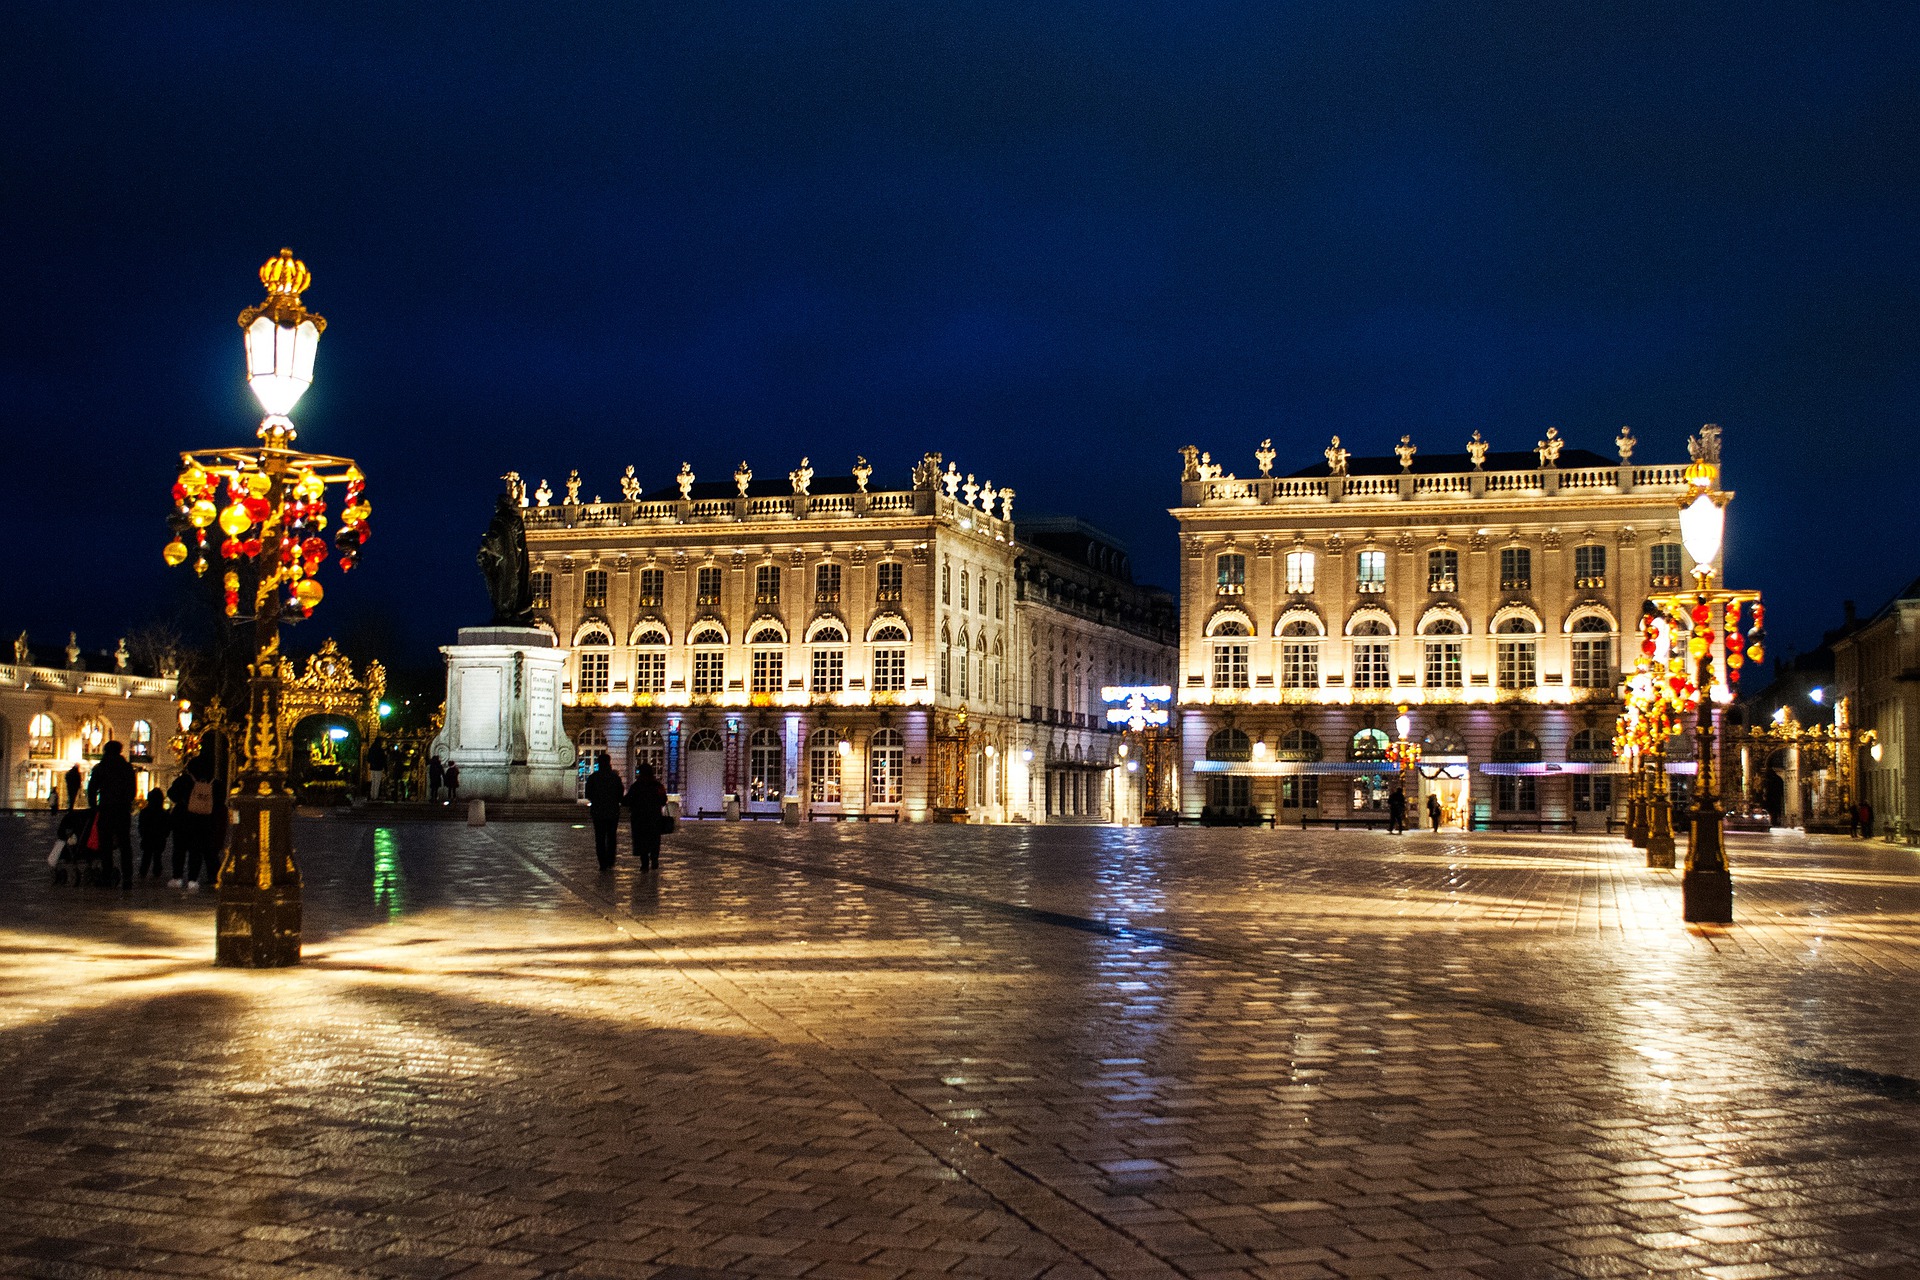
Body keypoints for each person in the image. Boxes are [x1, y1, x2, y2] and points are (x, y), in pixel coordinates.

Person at [173, 740, 228, 890]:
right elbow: (220, 801)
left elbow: (172, 794)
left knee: (179, 849)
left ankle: (177, 877)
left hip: (183, 820)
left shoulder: (185, 780)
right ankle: (193, 879)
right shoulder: (215, 783)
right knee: (196, 851)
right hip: (205, 821)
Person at [86, 741, 138, 889]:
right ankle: (127, 878)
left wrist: (94, 806)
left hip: (106, 810)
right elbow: (133, 790)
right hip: (122, 811)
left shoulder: (101, 767)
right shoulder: (127, 767)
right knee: (125, 845)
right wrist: (126, 801)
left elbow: (92, 788)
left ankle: (107, 876)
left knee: (106, 846)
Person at [584, 752, 625, 872]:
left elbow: (588, 794)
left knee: (600, 838)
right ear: (609, 762)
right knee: (611, 837)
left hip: (598, 811)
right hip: (612, 811)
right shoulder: (615, 778)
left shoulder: (593, 777)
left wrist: (597, 800)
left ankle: (602, 862)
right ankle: (610, 860)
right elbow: (620, 794)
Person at [625, 762, 665, 872]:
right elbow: (663, 800)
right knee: (654, 839)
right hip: (654, 817)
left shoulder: (636, 786)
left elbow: (627, 800)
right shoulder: (658, 786)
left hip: (639, 818)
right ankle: (654, 858)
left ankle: (644, 863)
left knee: (642, 840)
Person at [137, 787, 171, 879]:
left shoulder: (145, 812)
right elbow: (167, 827)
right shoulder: (163, 813)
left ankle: (143, 872)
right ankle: (157, 871)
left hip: (147, 837)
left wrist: (142, 833)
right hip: (159, 838)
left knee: (146, 856)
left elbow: (141, 825)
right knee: (157, 856)